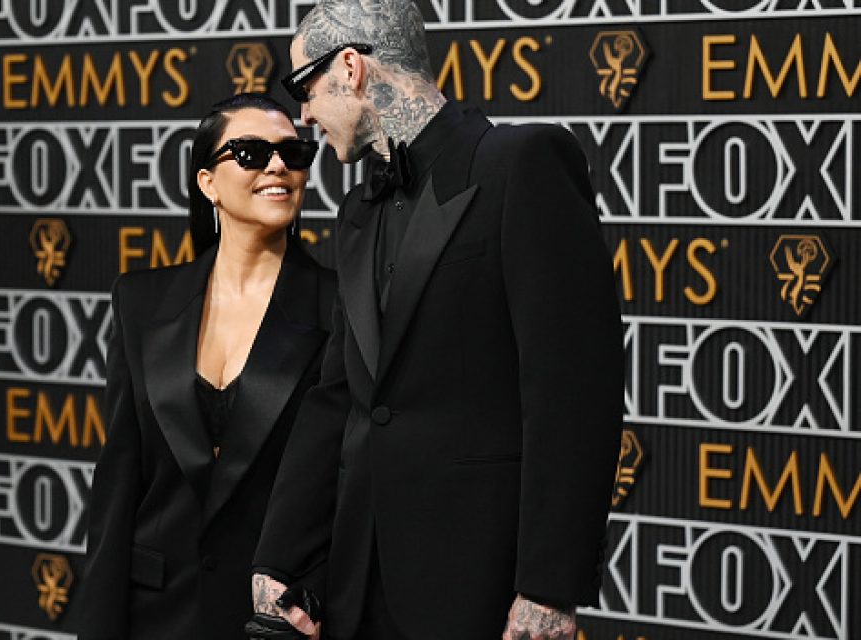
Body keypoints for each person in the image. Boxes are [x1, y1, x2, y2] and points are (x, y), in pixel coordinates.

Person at [249, 2, 624, 640]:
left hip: (478, 586)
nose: (303, 113)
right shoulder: (358, 210)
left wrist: (548, 587)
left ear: (351, 68)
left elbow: (572, 393)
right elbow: (339, 395)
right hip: (355, 585)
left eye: (303, 88)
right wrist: (279, 557)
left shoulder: (522, 163)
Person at [77, 93, 336, 640]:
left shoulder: (340, 308)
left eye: (293, 153)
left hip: (276, 622)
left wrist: (315, 594)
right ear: (207, 182)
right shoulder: (141, 302)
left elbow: (353, 484)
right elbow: (119, 481)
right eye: (248, 153)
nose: (277, 167)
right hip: (154, 615)